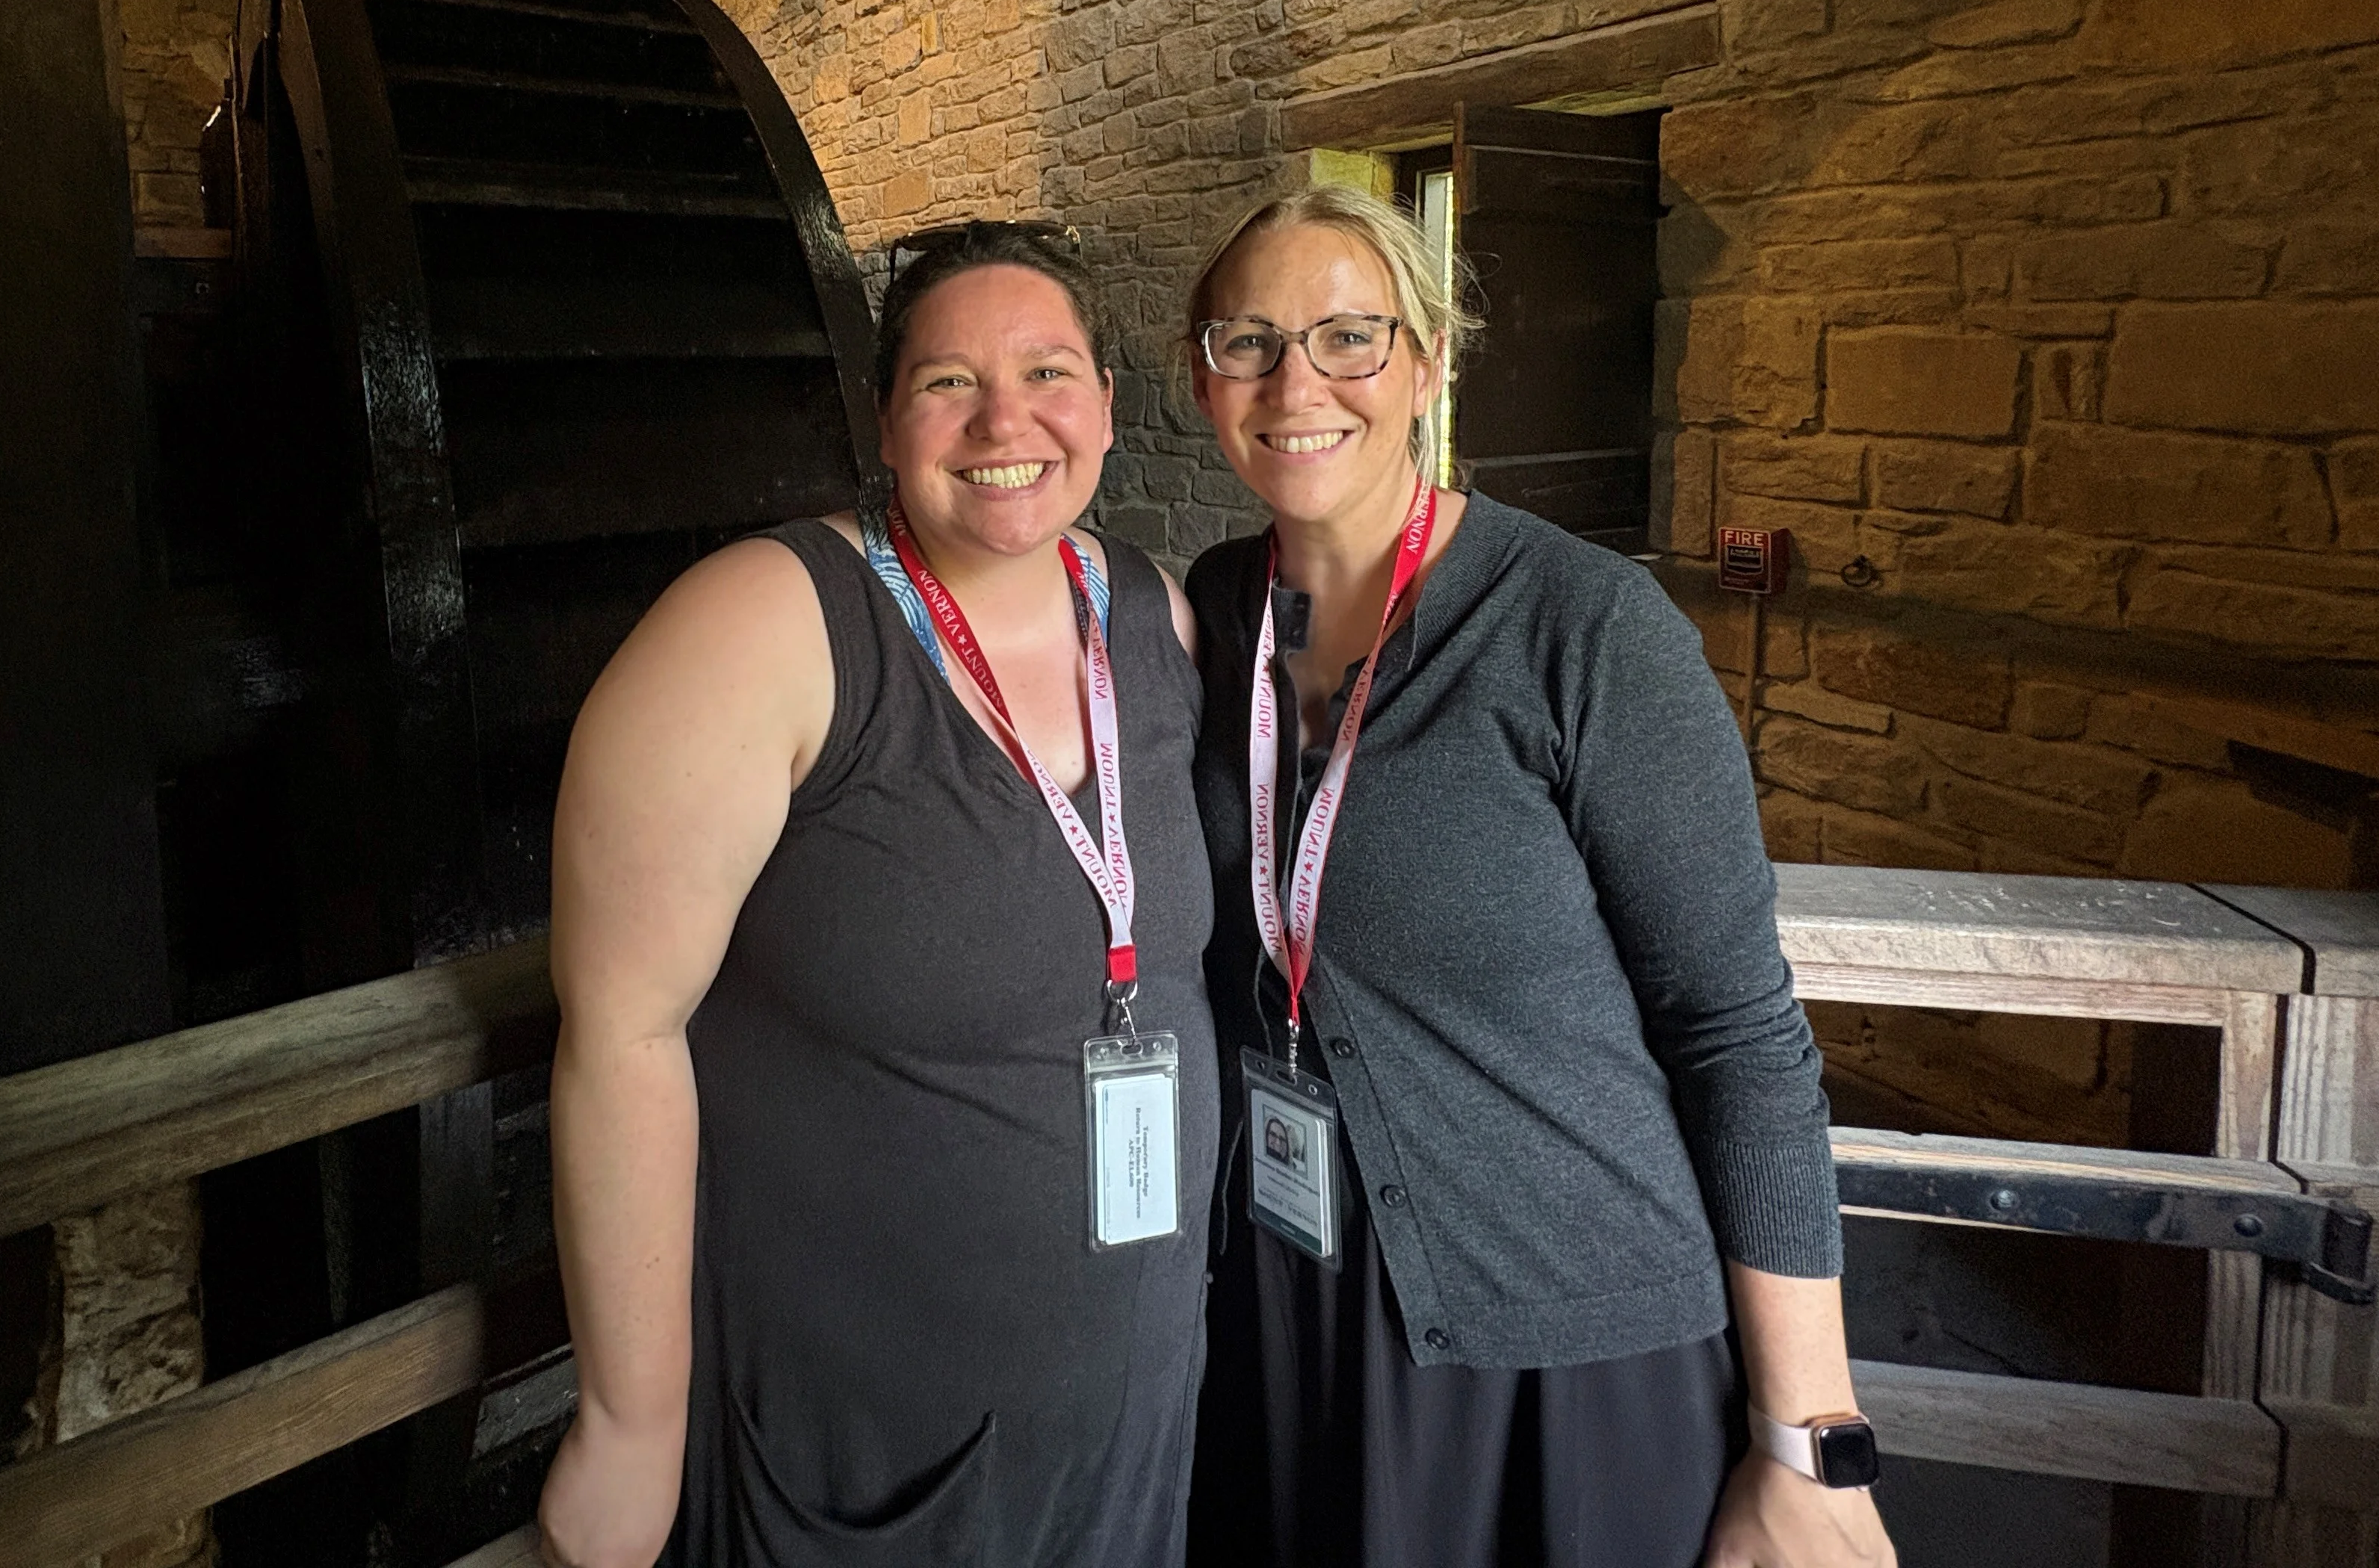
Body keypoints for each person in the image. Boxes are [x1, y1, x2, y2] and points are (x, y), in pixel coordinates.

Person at [1181, 185, 1893, 1568]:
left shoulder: (1585, 628)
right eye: (1249, 342)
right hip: (1293, 1306)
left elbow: (1739, 1036)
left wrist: (1811, 1443)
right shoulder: (1208, 608)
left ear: (1432, 364)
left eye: (1349, 338)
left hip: (1566, 1344)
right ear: (1203, 379)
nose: (1296, 384)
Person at [537, 220, 1219, 1568]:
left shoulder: (1155, 614)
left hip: (1125, 1423)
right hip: (859, 1457)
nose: (1002, 420)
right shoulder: (761, 627)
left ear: (1107, 407)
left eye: (1048, 372)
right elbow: (621, 1032)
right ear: (885, 415)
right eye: (947, 382)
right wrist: (628, 1425)